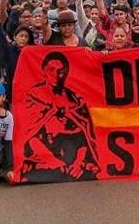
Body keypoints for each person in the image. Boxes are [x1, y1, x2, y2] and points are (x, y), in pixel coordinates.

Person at [20, 52, 99, 182]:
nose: (56, 75)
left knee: (84, 173)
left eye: (61, 71)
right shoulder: (34, 95)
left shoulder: (74, 98)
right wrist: (50, 159)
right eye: (51, 70)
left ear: (66, 73)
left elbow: (85, 133)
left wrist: (79, 161)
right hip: (44, 150)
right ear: (44, 70)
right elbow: (30, 133)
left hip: (73, 149)